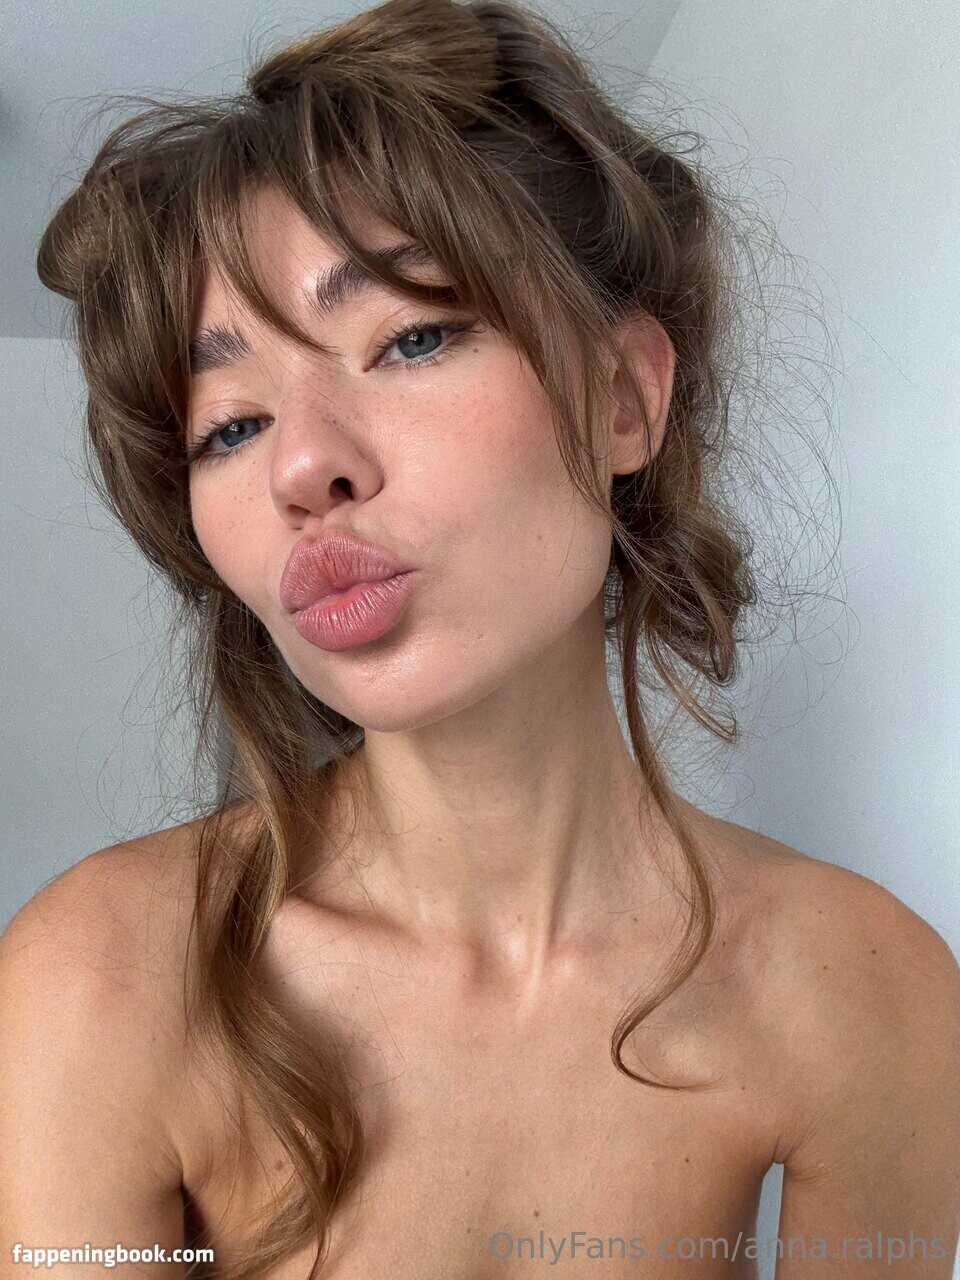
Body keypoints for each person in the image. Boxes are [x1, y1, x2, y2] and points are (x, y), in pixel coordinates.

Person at [2, 0, 958, 1275]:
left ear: (620, 398)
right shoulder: (99, 976)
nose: (301, 467)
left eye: (409, 337)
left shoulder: (868, 987)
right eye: (229, 424)